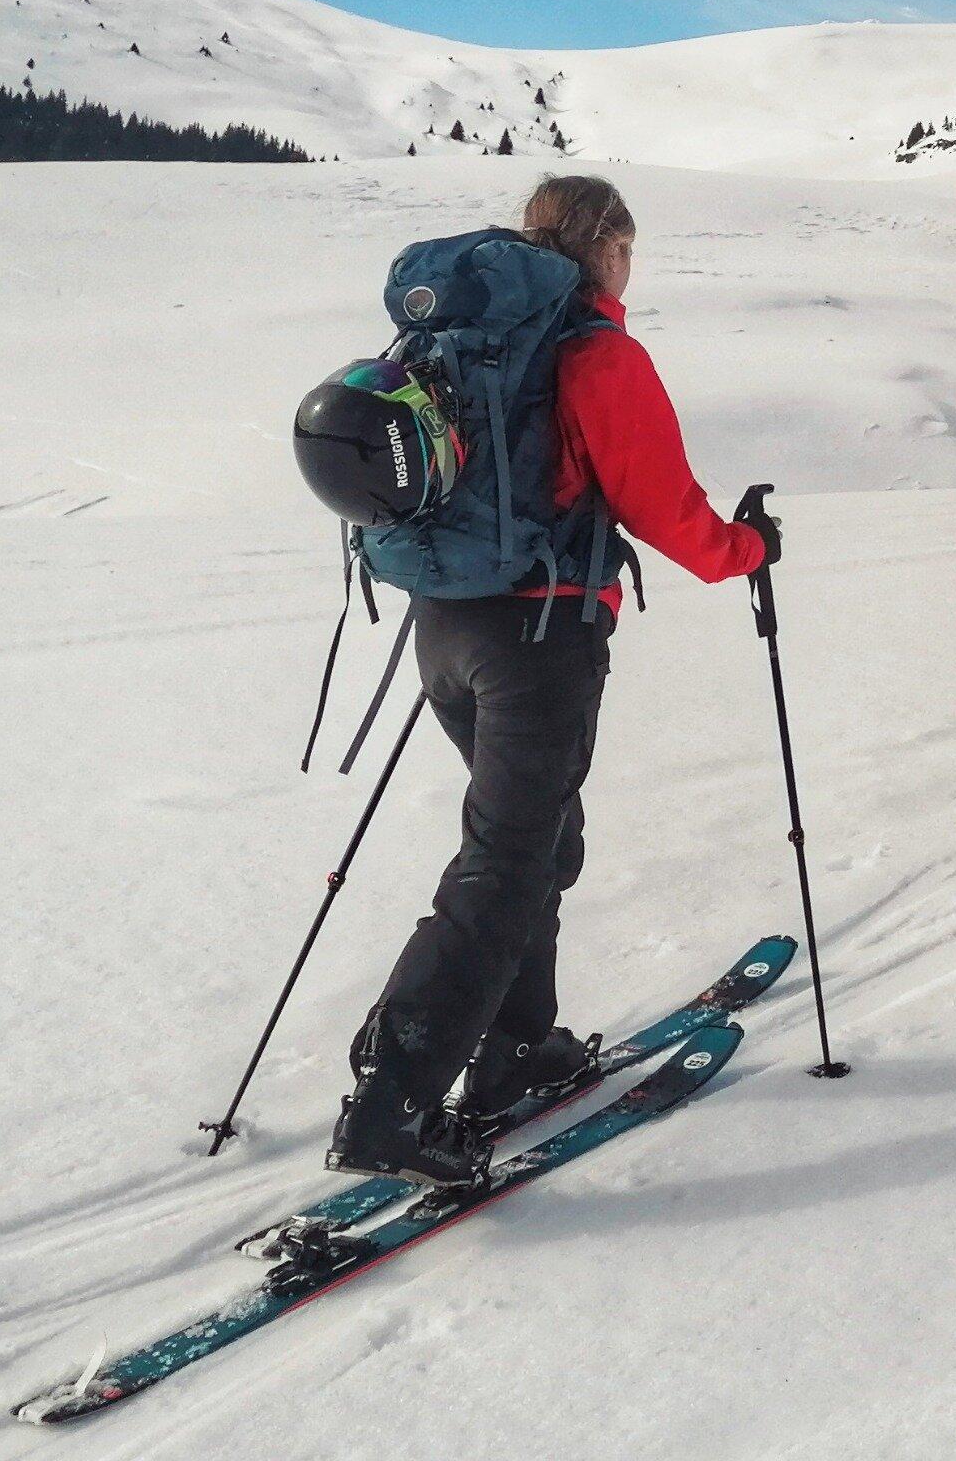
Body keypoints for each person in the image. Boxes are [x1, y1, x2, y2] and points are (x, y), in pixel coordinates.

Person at [330, 175, 777, 1188]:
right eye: (629, 251)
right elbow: (664, 508)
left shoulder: (463, 338)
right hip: (536, 637)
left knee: (539, 841)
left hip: (443, 625)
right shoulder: (594, 352)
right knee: (508, 860)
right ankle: (394, 1102)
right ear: (609, 249)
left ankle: (519, 1048)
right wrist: (749, 550)